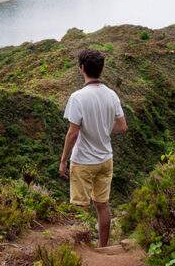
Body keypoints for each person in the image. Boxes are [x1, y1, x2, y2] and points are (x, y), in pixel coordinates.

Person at [58, 49, 127, 248]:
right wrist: (104, 129)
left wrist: (63, 161)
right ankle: (102, 248)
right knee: (102, 205)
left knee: (79, 207)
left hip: (83, 161)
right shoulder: (111, 95)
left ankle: (82, 250)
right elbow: (122, 126)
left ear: (82, 69)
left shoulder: (78, 97)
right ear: (101, 69)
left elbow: (73, 133)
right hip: (106, 159)